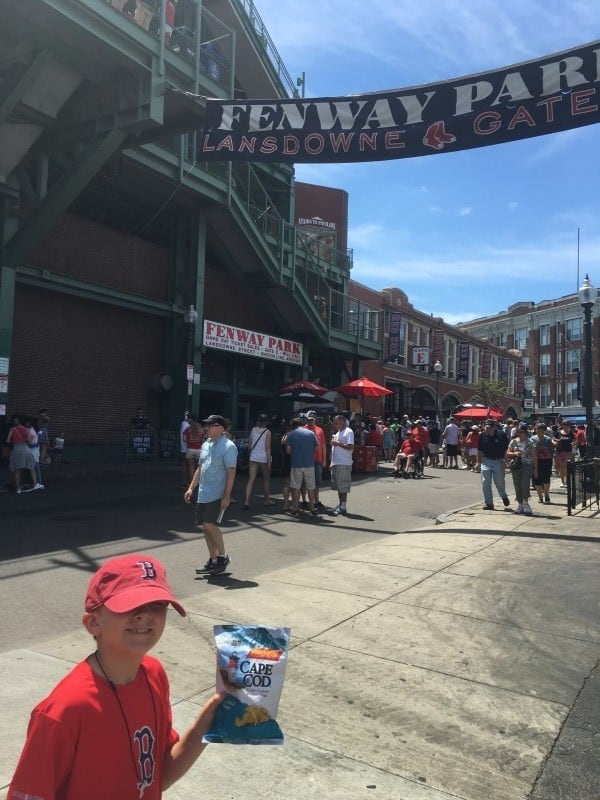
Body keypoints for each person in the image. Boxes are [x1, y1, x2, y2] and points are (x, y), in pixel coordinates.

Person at [8, 553, 223, 800]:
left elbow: (157, 776)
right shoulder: (64, 710)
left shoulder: (155, 675)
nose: (145, 615)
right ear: (93, 623)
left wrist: (202, 730)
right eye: (129, 605)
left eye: (156, 605)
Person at [185, 415, 237, 575]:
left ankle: (222, 557)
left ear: (220, 428)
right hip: (203, 492)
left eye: (210, 426)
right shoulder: (206, 445)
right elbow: (200, 469)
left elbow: (231, 472)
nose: (206, 428)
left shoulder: (228, 446)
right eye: (206, 425)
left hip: (217, 493)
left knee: (209, 524)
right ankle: (213, 560)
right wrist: (191, 488)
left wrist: (227, 495)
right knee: (205, 527)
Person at [285, 417, 319, 517]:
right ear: (302, 424)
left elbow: (288, 451)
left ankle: (295, 509)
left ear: (292, 425)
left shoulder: (290, 435)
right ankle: (312, 509)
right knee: (311, 487)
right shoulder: (311, 433)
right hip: (309, 464)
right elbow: (317, 448)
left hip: (296, 464)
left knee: (295, 487)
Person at [477, 419, 510, 511]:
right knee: (485, 482)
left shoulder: (501, 435)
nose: (488, 429)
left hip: (498, 460)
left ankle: (503, 496)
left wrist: (504, 461)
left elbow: (505, 449)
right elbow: (479, 449)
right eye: (486, 427)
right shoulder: (482, 435)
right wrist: (477, 462)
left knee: (499, 482)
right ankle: (489, 503)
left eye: (489, 427)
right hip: (486, 460)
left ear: (494, 427)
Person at [243, 413, 274, 509]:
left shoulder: (253, 430)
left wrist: (249, 455)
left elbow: (249, 445)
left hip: (253, 457)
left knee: (251, 479)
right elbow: (268, 447)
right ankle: (266, 500)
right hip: (263, 458)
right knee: (266, 480)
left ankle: (247, 501)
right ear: (266, 422)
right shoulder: (267, 432)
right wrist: (269, 461)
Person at [6, 416, 39, 494]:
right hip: (25, 449)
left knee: (17, 469)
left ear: (16, 422)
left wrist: (14, 441)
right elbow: (30, 442)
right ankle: (35, 485)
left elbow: (7, 441)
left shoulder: (12, 429)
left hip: (16, 449)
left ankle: (18, 489)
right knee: (31, 467)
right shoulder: (27, 430)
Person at [506, 422, 534, 515]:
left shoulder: (531, 442)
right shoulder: (513, 442)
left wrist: (536, 468)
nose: (521, 433)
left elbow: (535, 456)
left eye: (523, 432)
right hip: (516, 465)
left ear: (526, 433)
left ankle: (526, 502)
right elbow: (508, 453)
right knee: (517, 485)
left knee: (525, 484)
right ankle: (520, 504)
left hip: (527, 465)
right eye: (519, 432)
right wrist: (515, 454)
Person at [329, 415, 354, 516]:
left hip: (344, 463)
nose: (335, 423)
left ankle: (343, 506)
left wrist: (337, 443)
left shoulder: (349, 431)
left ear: (343, 421)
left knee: (343, 486)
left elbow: (351, 446)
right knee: (339, 486)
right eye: (334, 421)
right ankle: (341, 505)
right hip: (337, 463)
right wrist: (332, 462)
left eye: (337, 421)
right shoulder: (338, 433)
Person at [305, 410, 327, 509]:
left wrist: (324, 459)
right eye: (309, 419)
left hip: (318, 459)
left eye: (312, 419)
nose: (311, 421)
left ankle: (317, 500)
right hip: (306, 460)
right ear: (306, 419)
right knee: (305, 482)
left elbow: (323, 446)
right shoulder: (303, 429)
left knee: (317, 482)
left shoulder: (320, 430)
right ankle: (305, 501)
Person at [531, 422, 554, 504]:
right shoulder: (532, 439)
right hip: (536, 460)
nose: (538, 431)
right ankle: (540, 497)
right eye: (537, 429)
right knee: (537, 478)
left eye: (540, 429)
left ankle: (546, 494)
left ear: (544, 430)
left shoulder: (548, 439)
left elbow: (551, 450)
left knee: (546, 477)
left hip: (547, 460)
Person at [182, 414, 204, 484]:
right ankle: (198, 482)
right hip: (199, 449)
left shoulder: (188, 428)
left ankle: (191, 483)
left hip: (190, 449)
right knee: (199, 467)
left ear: (192, 419)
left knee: (191, 467)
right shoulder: (200, 428)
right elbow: (203, 439)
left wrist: (189, 441)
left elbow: (184, 439)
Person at [552, 421, 574, 487]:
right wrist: (555, 442)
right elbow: (553, 439)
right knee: (561, 467)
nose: (565, 426)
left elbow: (574, 441)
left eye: (567, 424)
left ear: (569, 425)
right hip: (559, 452)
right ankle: (562, 481)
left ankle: (567, 481)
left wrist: (573, 444)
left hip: (568, 451)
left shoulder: (571, 433)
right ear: (562, 425)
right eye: (564, 424)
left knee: (566, 467)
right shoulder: (558, 433)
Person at [179, 411, 190, 486]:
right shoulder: (187, 425)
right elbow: (186, 438)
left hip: (184, 447)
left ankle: (184, 481)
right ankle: (188, 481)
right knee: (190, 465)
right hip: (187, 447)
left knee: (185, 465)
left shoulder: (183, 424)